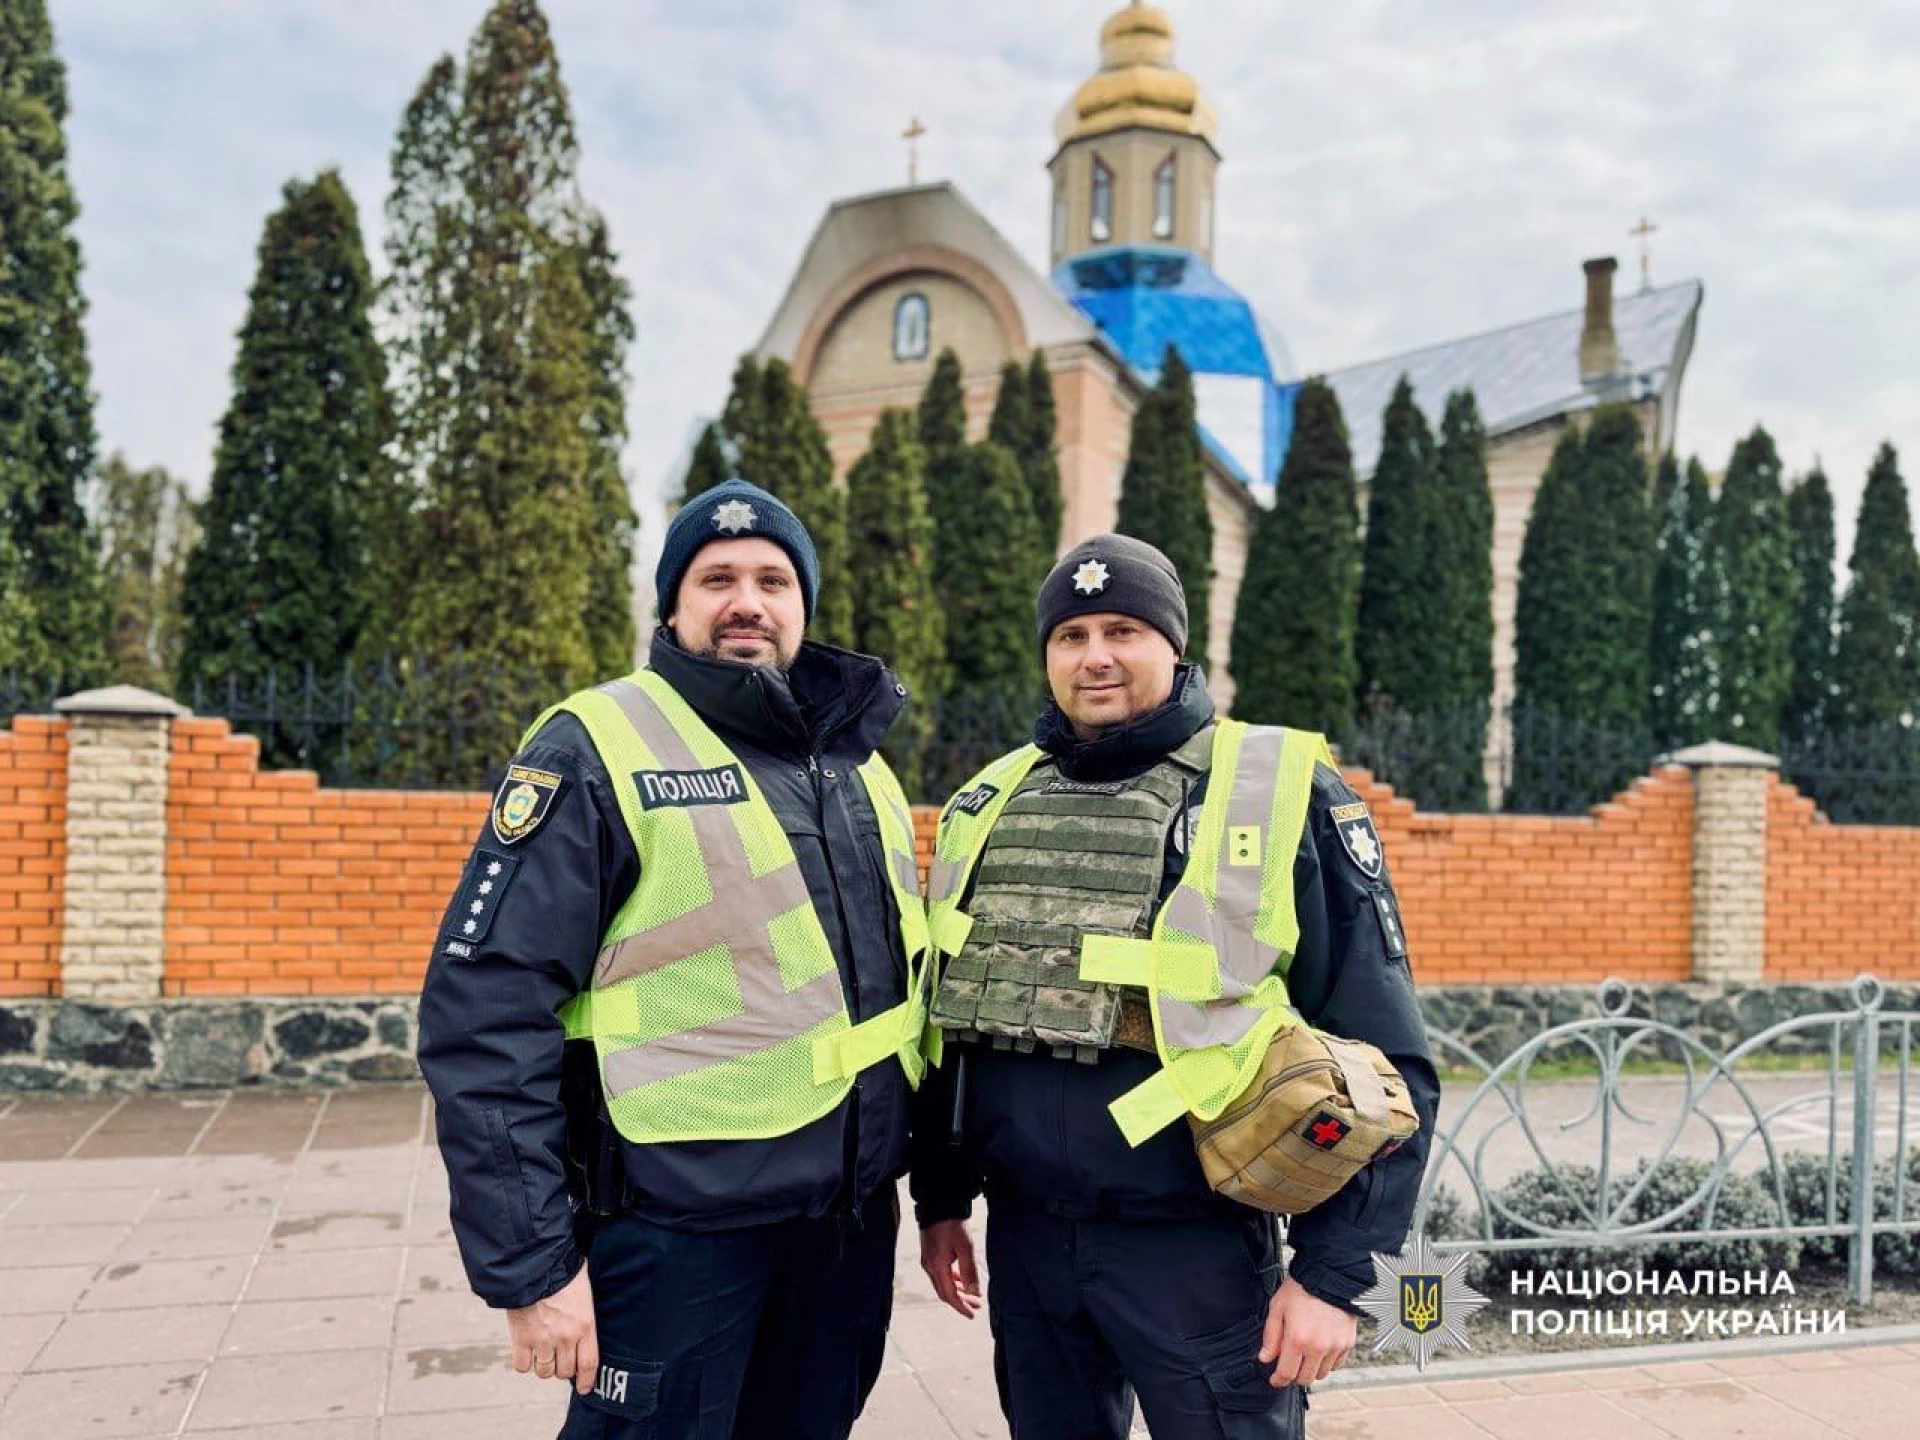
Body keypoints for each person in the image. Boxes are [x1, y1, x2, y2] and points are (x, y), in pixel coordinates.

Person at [418, 479, 929, 1439]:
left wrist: (937, 1193)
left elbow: (907, 1008)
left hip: (844, 1235)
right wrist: (532, 1269)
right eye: (716, 577)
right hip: (674, 1235)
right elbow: (484, 1012)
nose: (748, 600)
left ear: (803, 606)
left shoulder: (863, 772)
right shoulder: (597, 745)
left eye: (774, 579)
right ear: (672, 606)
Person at [911, 534, 1439, 1440]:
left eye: (1124, 629)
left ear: (1175, 646)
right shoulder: (989, 798)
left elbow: (1387, 1060)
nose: (1097, 656)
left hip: (1198, 1248)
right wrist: (943, 1201)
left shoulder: (1279, 790)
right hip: (1032, 1240)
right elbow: (959, 1015)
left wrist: (1334, 1280)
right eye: (1071, 635)